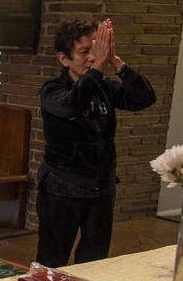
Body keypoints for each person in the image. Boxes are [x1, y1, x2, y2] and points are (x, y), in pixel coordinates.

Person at [35, 18, 156, 267]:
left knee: (95, 261)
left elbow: (144, 98)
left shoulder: (104, 87)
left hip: (101, 187)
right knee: (51, 260)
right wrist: (99, 65)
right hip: (62, 187)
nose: (92, 57)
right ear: (64, 59)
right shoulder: (52, 90)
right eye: (84, 52)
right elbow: (72, 104)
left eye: (96, 50)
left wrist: (115, 61)